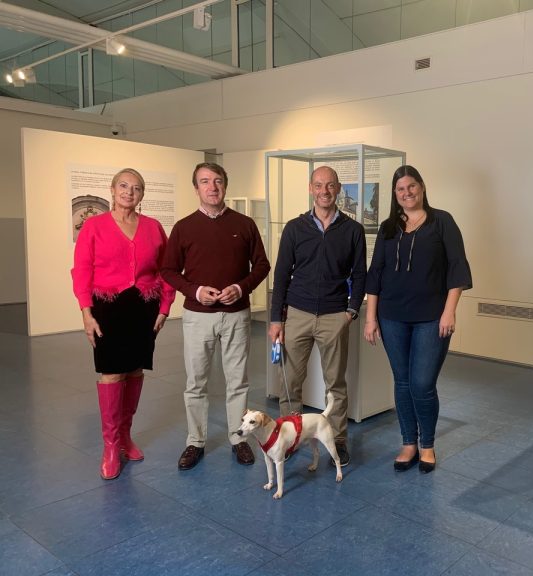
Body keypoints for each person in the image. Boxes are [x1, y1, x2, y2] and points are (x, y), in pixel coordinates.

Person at [161, 162, 270, 470]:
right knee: (196, 383)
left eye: (217, 181)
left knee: (238, 382)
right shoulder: (183, 227)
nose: (212, 187)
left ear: (225, 185)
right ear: (196, 188)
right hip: (198, 316)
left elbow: (262, 265)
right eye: (205, 182)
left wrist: (241, 287)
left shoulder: (245, 224)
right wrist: (194, 291)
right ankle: (195, 442)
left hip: (236, 314)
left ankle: (239, 439)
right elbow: (168, 270)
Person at [364, 165, 472, 474]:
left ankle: (427, 445)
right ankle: (408, 442)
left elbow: (458, 269)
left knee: (422, 384)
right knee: (402, 381)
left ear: (422, 188)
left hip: (431, 318)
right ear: (394, 195)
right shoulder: (387, 228)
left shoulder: (442, 222)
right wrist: (371, 318)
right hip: (392, 317)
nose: (406, 193)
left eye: (411, 186)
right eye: (400, 189)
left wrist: (449, 311)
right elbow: (376, 275)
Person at [72, 168, 176, 480]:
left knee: (134, 370)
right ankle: (110, 445)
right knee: (111, 373)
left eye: (136, 188)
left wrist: (165, 307)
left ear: (142, 195)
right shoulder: (94, 226)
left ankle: (126, 436)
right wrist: (86, 313)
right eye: (123, 186)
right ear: (112, 189)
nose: (129, 192)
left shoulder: (154, 227)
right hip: (108, 307)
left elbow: (165, 270)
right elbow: (81, 270)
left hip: (143, 307)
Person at [269, 166, 366, 467]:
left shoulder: (353, 230)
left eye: (331, 186)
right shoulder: (295, 228)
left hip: (335, 315)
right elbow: (282, 274)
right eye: (319, 185)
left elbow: (360, 274)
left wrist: (351, 311)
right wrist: (276, 320)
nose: (325, 191)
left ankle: (337, 439)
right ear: (311, 188)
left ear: (339, 189)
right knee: (290, 382)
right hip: (296, 314)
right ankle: (291, 435)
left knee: (335, 383)